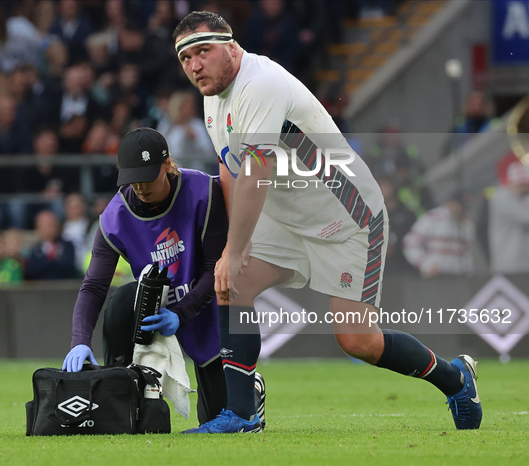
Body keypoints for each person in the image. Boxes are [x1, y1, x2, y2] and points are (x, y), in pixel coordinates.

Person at [173, 11, 481, 433]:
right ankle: (241, 415)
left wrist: (236, 250)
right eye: (186, 57)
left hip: (348, 218)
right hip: (287, 221)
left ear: (230, 45)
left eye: (202, 51)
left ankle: (456, 379)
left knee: (358, 341)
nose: (194, 66)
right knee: (233, 282)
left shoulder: (260, 83)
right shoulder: (214, 97)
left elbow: (258, 169)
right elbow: (230, 169)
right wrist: (233, 247)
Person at [61, 128, 263, 427]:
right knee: (122, 299)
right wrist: (80, 340)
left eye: (147, 177)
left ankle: (251, 388)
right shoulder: (114, 217)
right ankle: (120, 388)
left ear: (167, 166)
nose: (140, 187)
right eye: (133, 178)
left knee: (219, 419)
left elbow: (215, 270)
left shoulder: (204, 192)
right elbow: (93, 286)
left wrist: (181, 315)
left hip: (204, 302)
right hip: (154, 308)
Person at [403, 192, 475, 278]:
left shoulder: (467, 223)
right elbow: (409, 243)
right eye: (459, 206)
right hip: (434, 276)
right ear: (451, 203)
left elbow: (467, 252)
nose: (461, 211)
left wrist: (468, 272)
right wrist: (425, 265)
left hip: (457, 277)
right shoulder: (433, 218)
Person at [489, 161, 529, 274]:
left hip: (524, 263)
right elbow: (526, 217)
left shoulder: (522, 199)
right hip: (509, 264)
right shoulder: (501, 198)